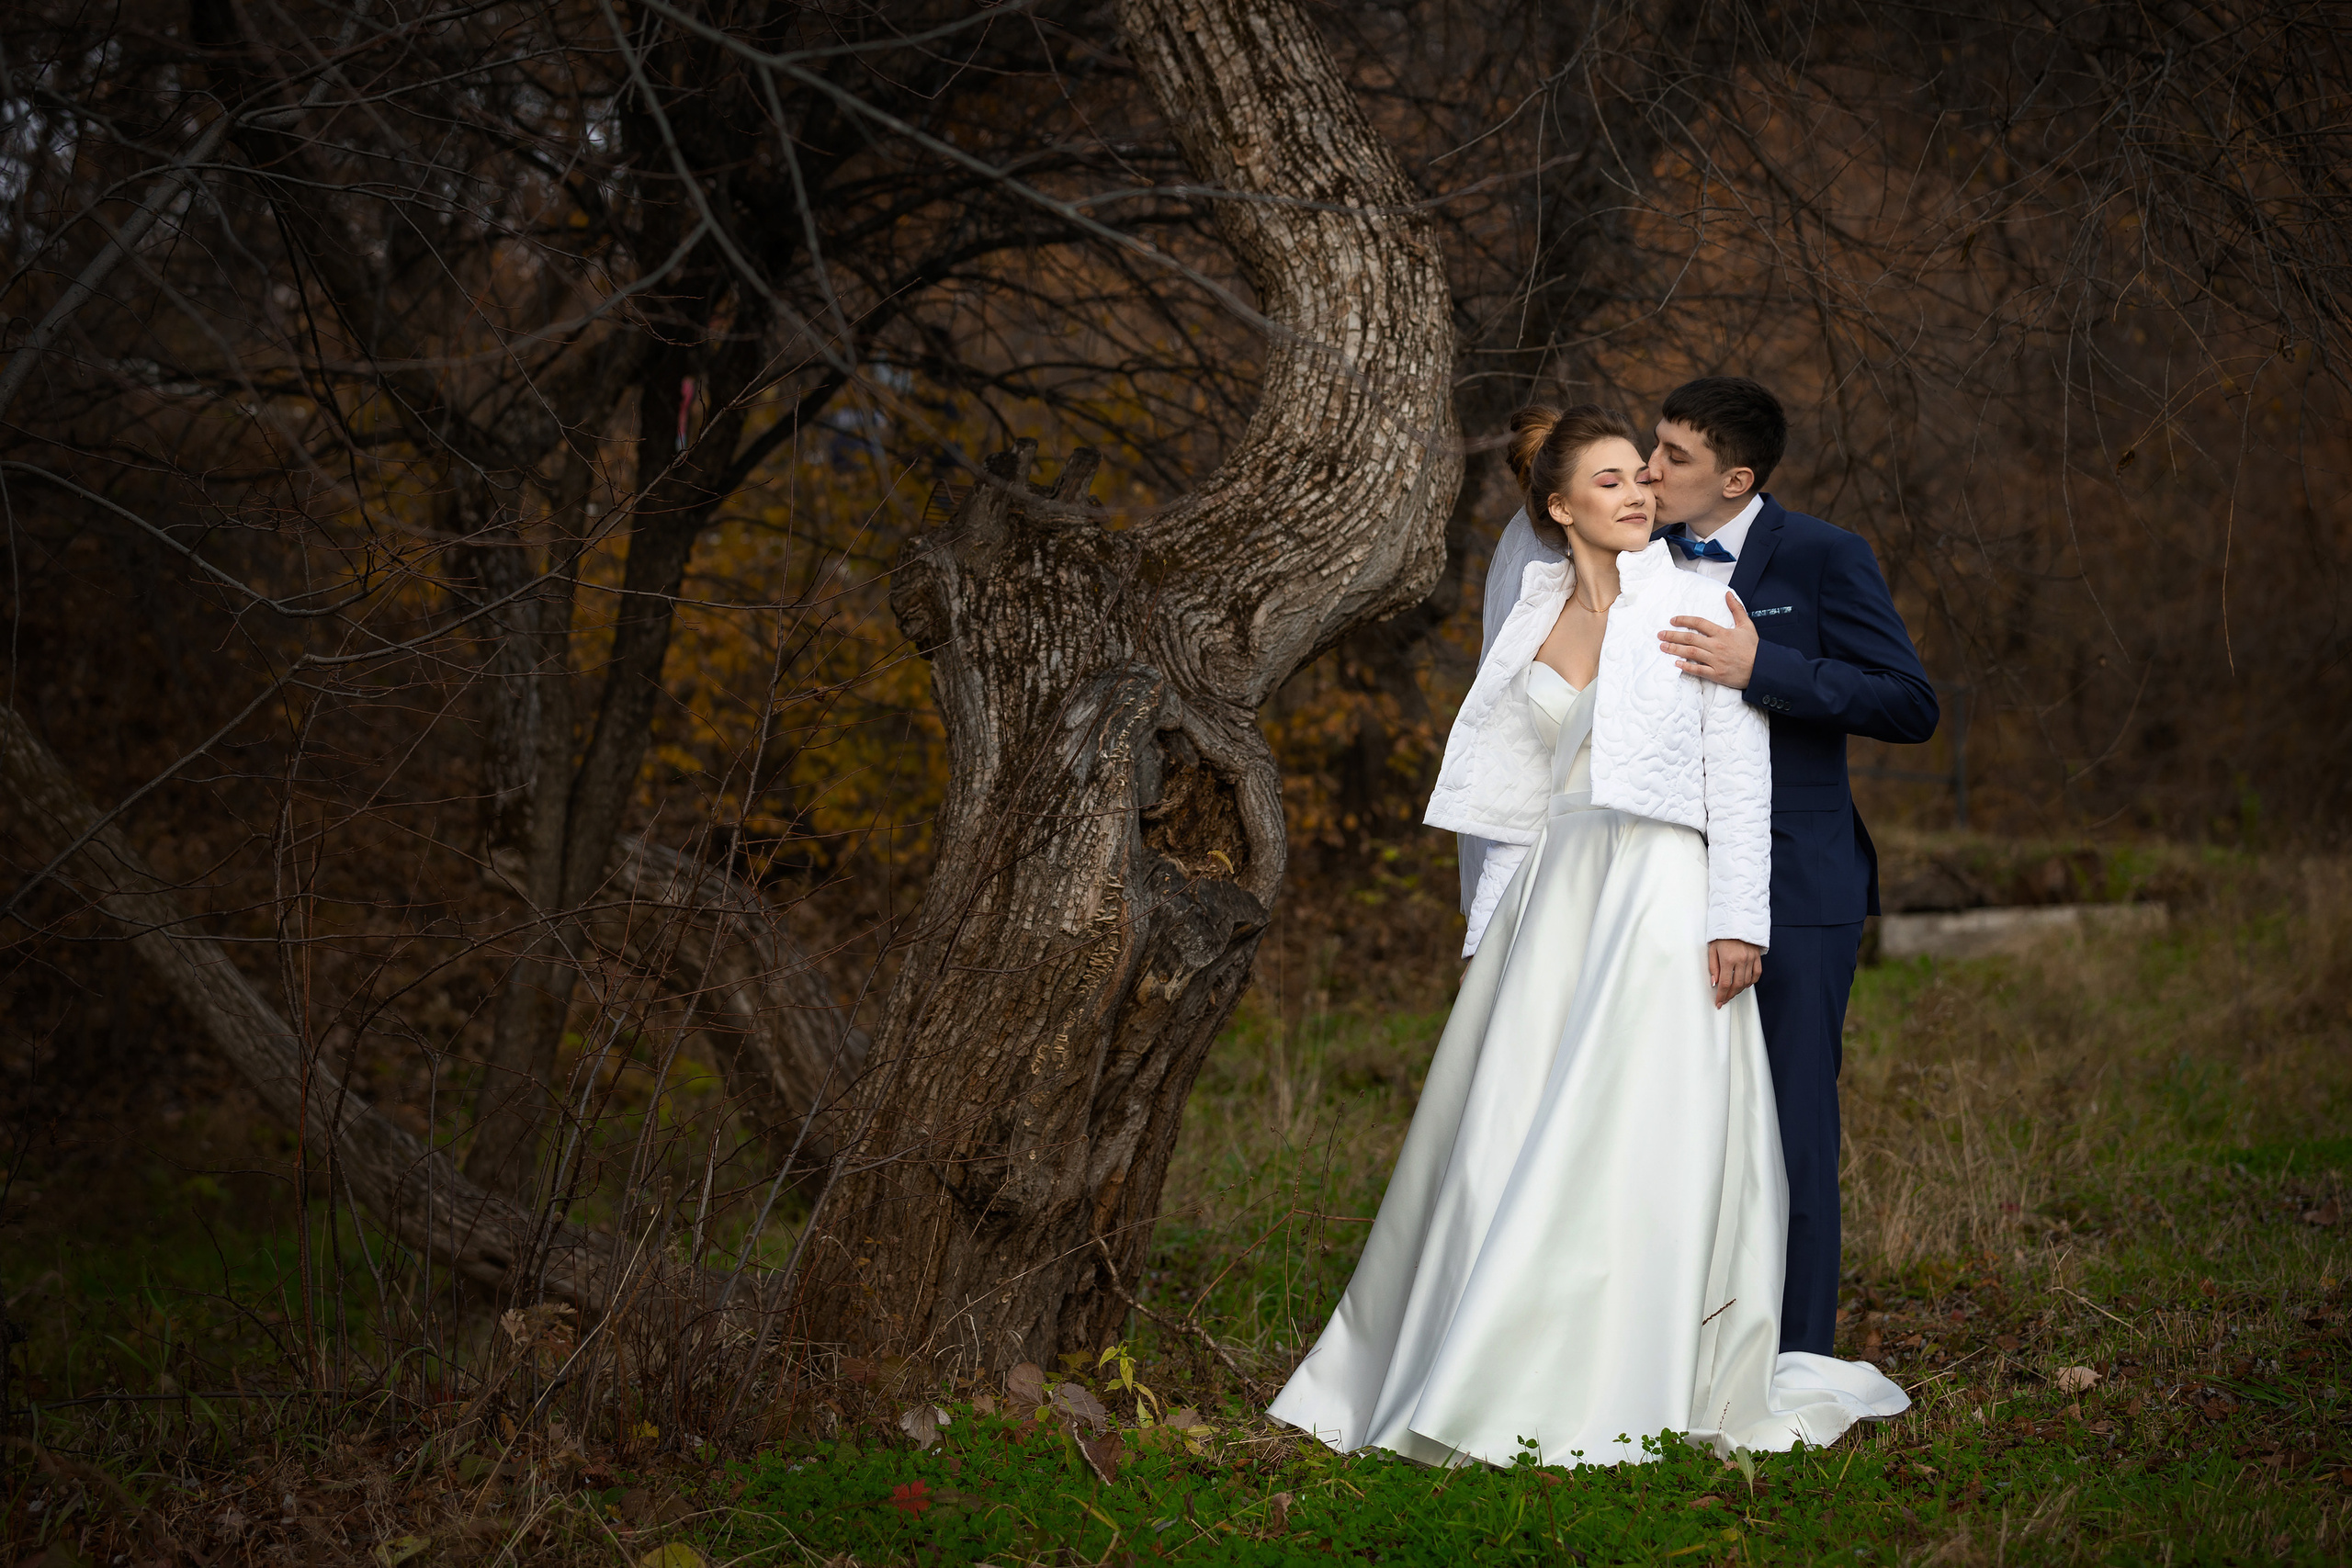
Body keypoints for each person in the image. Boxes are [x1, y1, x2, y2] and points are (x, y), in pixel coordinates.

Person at [1267, 404, 1907, 1468]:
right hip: (1554, 897)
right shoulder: (1526, 605)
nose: (1637, 491)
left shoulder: (1699, 598)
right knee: (1509, 1126)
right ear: (1559, 506)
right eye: (1609, 479)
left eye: (1642, 477)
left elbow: (1736, 777)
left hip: (1659, 886)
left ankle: (1630, 1361)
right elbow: (1511, 785)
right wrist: (1492, 924)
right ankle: (1477, 1349)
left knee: (1634, 1124)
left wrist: (1737, 922)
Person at [1641, 378, 1939, 1359]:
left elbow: (1907, 702)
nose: (1650, 472)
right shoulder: (1633, 559)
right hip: (1655, 885)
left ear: (1736, 477)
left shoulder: (1821, 556)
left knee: (1791, 1127)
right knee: (1667, 1119)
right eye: (1651, 449)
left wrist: (1762, 669)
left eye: (1674, 458)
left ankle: (1796, 1357)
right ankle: (1675, 1345)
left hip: (1796, 883)